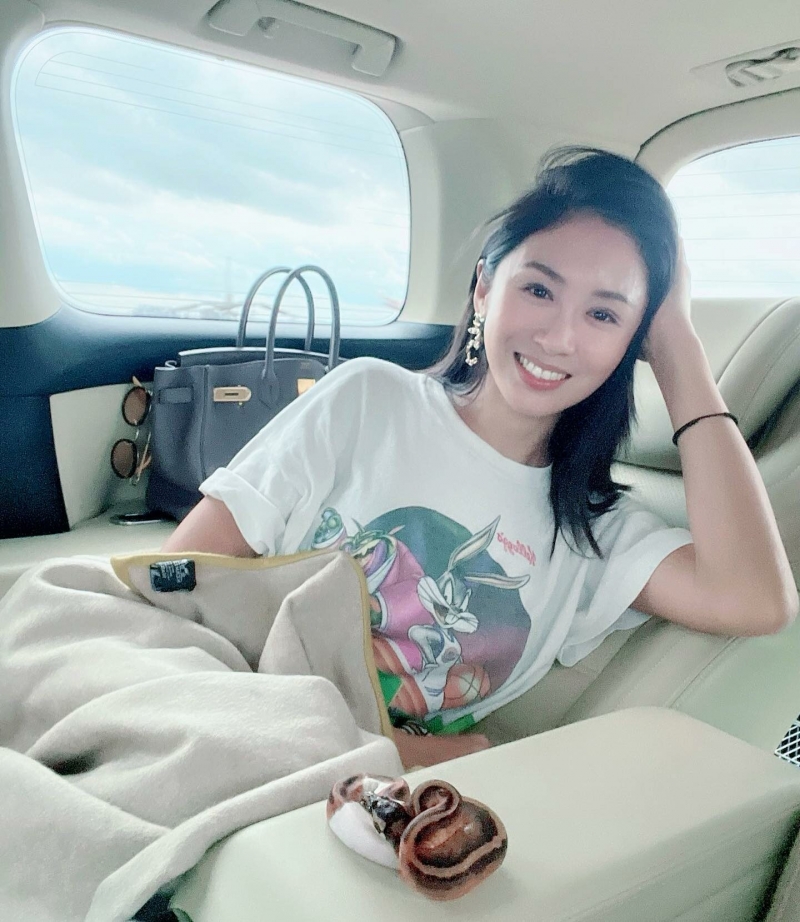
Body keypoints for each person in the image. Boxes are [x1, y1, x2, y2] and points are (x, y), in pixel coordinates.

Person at [162, 147, 797, 768]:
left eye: (604, 314)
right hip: (213, 720)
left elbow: (755, 601)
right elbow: (174, 582)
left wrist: (679, 346)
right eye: (539, 289)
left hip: (348, 799)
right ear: (485, 289)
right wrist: (418, 752)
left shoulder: (595, 534)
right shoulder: (366, 399)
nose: (559, 338)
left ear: (634, 341)